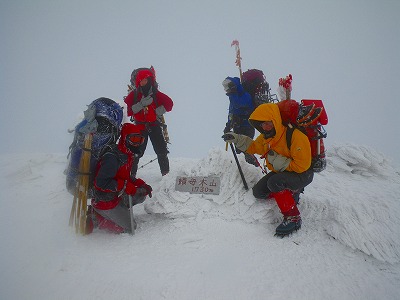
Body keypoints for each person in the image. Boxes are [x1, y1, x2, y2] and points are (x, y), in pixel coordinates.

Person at [222, 103, 314, 236]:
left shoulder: (296, 136)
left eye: (267, 123)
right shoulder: (267, 137)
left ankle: (293, 217)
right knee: (259, 192)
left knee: (274, 183)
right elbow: (254, 147)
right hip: (284, 172)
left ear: (275, 120)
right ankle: (287, 193)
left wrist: (278, 162)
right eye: (261, 125)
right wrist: (236, 139)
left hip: (303, 174)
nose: (265, 127)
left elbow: (303, 165)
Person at [86, 123, 153, 234]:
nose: (136, 144)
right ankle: (97, 217)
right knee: (130, 228)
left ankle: (117, 212)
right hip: (105, 199)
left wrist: (140, 184)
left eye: (139, 140)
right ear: (125, 138)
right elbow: (101, 183)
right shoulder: (112, 157)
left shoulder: (126, 154)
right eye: (133, 139)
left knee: (141, 196)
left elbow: (124, 175)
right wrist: (126, 186)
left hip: (115, 195)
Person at [124, 68, 173, 176]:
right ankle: (130, 176)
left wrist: (157, 111)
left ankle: (166, 176)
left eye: (145, 80)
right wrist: (141, 104)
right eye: (141, 80)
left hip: (154, 124)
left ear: (149, 80)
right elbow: (128, 110)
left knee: (161, 151)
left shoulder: (155, 94)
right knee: (136, 153)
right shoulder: (134, 95)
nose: (143, 82)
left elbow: (169, 104)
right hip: (140, 126)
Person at [222, 76, 258, 166]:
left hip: (247, 127)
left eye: (228, 87)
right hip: (237, 127)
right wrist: (228, 125)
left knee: (246, 149)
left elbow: (238, 104)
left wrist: (233, 93)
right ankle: (243, 171)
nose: (227, 90)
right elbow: (231, 113)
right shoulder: (233, 97)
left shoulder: (245, 96)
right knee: (238, 151)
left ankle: (255, 169)